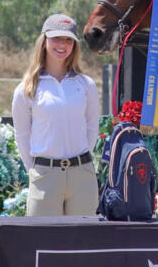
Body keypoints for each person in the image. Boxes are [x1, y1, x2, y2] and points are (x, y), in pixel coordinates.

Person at [12, 13, 101, 217]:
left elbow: (92, 127)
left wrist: (81, 161)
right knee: (41, 242)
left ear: (74, 46)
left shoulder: (86, 85)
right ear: (44, 42)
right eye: (56, 38)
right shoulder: (26, 89)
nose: (62, 45)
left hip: (82, 175)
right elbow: (22, 136)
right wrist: (37, 171)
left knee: (84, 242)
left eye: (68, 40)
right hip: (44, 176)